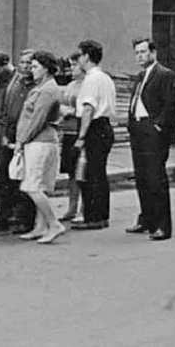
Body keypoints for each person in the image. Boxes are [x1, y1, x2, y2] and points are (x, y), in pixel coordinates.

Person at [125, 38, 175, 241]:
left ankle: (163, 226)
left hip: (153, 130)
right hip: (138, 129)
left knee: (156, 178)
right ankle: (147, 219)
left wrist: (158, 125)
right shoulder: (141, 76)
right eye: (137, 53)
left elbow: (170, 104)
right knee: (142, 177)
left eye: (143, 52)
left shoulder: (164, 74)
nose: (139, 56)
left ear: (153, 53)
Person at [14, 51, 66, 244]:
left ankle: (54, 223)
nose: (32, 70)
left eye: (36, 67)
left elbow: (37, 119)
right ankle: (40, 226)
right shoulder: (43, 88)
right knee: (38, 185)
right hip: (38, 141)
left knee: (32, 186)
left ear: (46, 69)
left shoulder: (47, 90)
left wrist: (21, 140)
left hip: (40, 141)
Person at [72, 39, 116, 231]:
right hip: (104, 126)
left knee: (91, 174)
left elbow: (88, 109)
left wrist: (81, 136)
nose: (79, 59)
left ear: (87, 57)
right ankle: (101, 214)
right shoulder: (105, 78)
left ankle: (93, 217)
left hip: (94, 128)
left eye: (80, 55)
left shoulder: (91, 79)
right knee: (99, 173)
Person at [0, 49, 36, 234]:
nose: (25, 67)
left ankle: (24, 218)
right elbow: (2, 108)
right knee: (5, 177)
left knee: (23, 178)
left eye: (29, 63)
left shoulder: (37, 86)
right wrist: (2, 133)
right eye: (22, 62)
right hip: (8, 134)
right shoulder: (14, 82)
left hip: (25, 136)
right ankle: (4, 215)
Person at [58, 52, 85, 222]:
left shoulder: (87, 84)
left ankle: (84, 209)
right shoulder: (70, 85)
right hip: (67, 132)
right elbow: (61, 102)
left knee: (81, 172)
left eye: (74, 65)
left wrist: (73, 111)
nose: (71, 68)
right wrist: (63, 110)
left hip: (79, 131)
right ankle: (72, 207)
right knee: (71, 173)